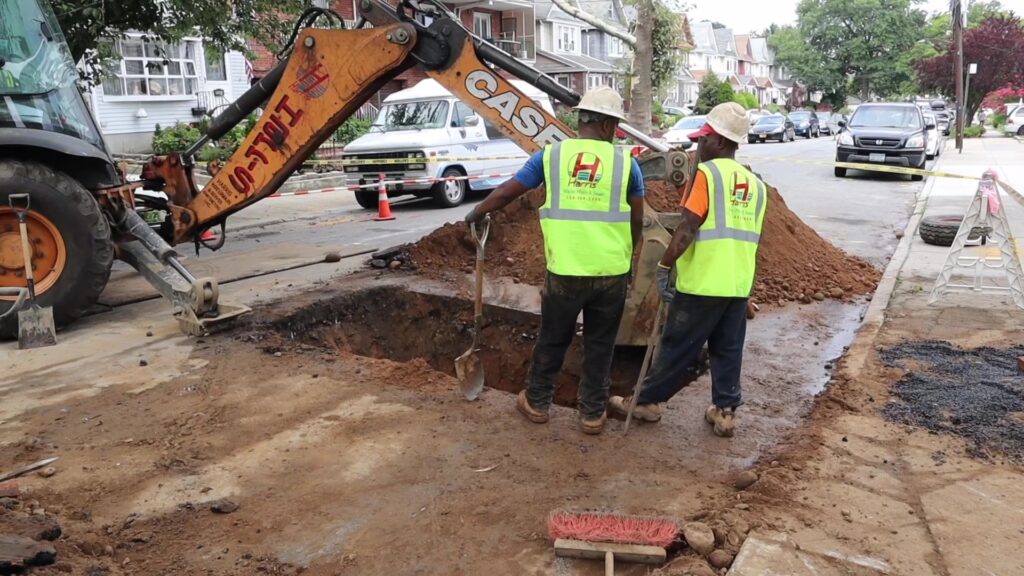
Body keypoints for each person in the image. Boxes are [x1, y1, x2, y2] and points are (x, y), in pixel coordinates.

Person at [464, 87, 645, 435]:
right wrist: (628, 256)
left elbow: (508, 191)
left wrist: (477, 211)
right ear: (608, 126)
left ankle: (537, 402)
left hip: (565, 271)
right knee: (600, 344)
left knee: (553, 338)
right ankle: (592, 414)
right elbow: (637, 220)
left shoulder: (551, 157)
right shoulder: (627, 165)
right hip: (611, 272)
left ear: (583, 120)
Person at [608, 102, 766, 438]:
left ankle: (647, 402)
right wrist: (748, 290)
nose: (697, 147)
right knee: (727, 348)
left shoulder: (707, 176)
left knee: (677, 345)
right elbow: (751, 240)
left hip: (702, 285)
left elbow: (686, 229)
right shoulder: (755, 185)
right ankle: (725, 412)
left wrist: (664, 266)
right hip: (736, 285)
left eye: (703, 140)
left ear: (720, 142)